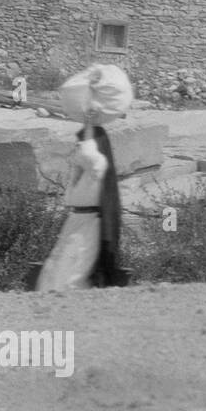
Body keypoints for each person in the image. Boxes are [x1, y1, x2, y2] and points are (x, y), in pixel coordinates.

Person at [36, 66, 131, 291]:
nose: (78, 147)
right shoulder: (85, 167)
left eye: (82, 143)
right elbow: (85, 155)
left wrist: (89, 123)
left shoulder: (96, 164)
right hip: (76, 221)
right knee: (55, 270)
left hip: (88, 224)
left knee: (71, 275)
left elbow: (91, 157)